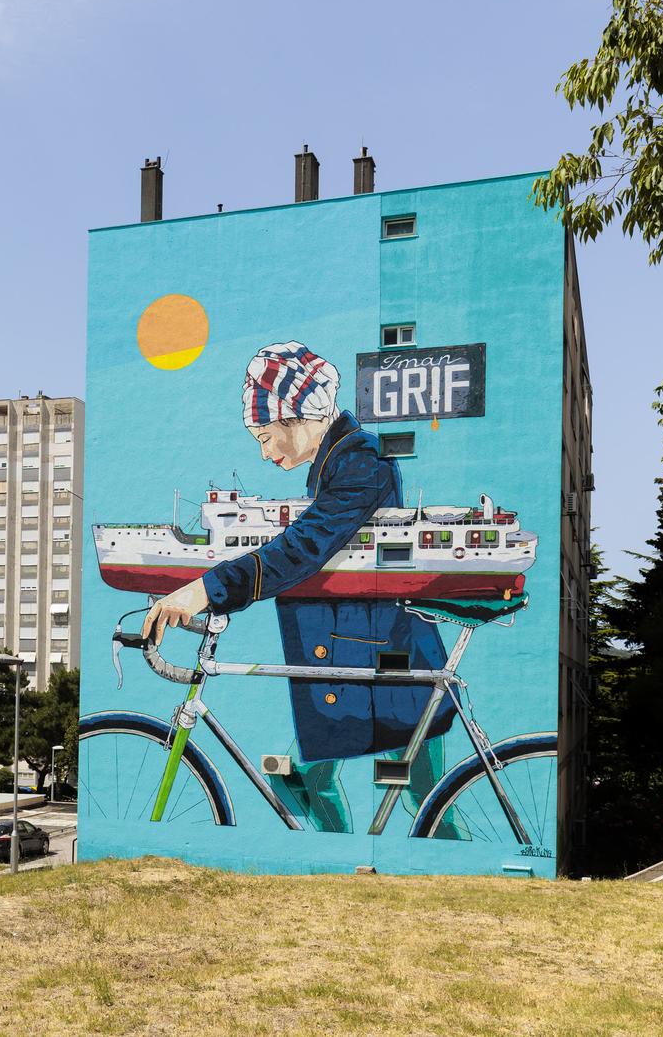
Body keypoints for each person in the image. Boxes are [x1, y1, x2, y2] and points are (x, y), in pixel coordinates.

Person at [142, 341, 459, 834]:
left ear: (299, 419)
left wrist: (206, 589)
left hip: (387, 661)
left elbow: (305, 547)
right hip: (358, 658)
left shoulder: (362, 462)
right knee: (314, 779)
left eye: (266, 437)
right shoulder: (336, 463)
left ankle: (383, 859)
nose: (265, 453)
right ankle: (341, 856)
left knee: (417, 792)